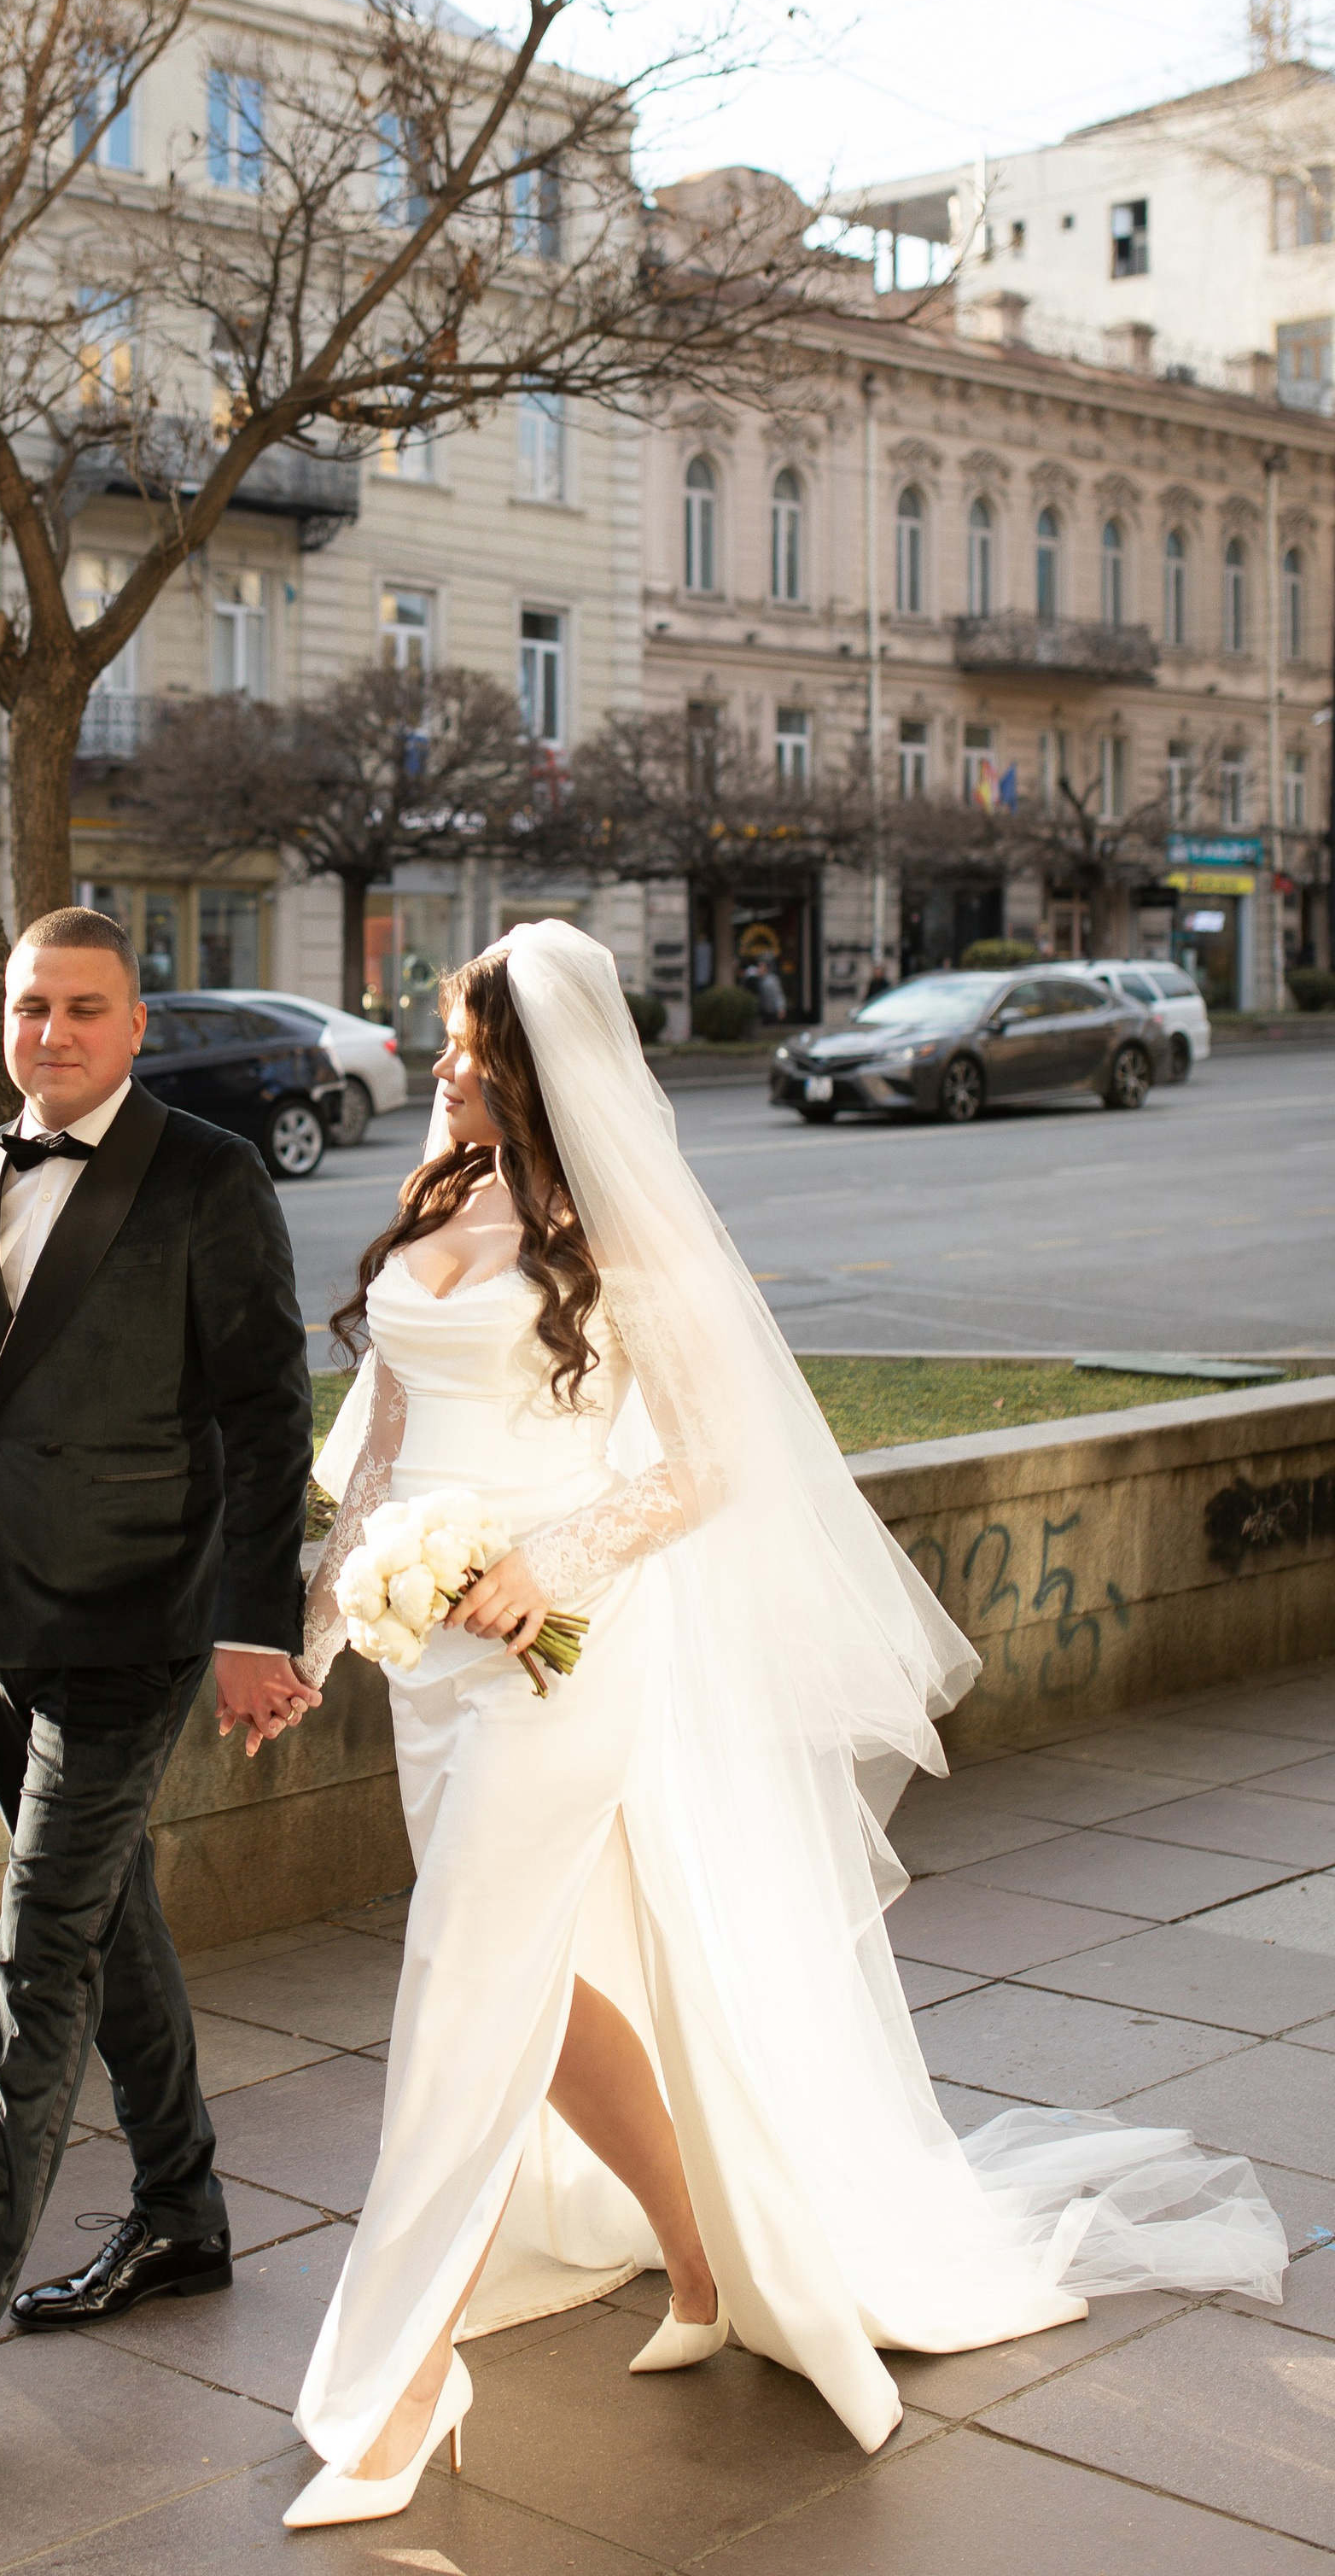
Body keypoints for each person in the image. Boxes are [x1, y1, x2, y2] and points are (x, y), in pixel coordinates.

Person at [280, 922, 1284, 2529]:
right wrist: (321, 1634)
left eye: (469, 1043)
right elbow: (386, 1443)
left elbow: (707, 1464)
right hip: (434, 1662)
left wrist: (549, 1564)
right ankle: (696, 2262)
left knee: (461, 1979)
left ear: (538, 1067)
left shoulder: (622, 1237)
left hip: (563, 1650)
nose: (443, 1063)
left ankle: (404, 2383)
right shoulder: (438, 1195)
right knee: (528, 1979)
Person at [0, 908, 321, 2432]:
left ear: (136, 1025)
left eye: (84, 1007)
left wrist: (256, 1628)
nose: (52, 1032)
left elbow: (266, 1414)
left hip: (137, 1623)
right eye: (30, 1005)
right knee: (109, 1923)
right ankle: (181, 2212)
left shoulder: (209, 1176)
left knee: (39, 1954)